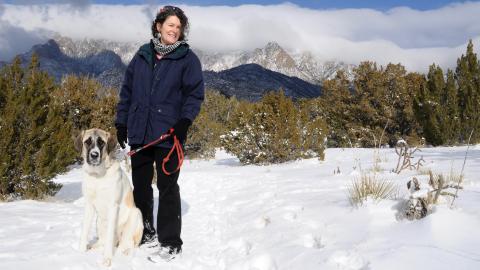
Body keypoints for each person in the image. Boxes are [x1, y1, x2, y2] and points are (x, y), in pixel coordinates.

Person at [115, 5, 204, 262]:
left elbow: (194, 94)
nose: (174, 30)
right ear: (158, 26)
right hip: (140, 132)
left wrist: (185, 121)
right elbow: (127, 93)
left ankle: (170, 241)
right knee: (141, 187)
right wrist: (122, 124)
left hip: (169, 134)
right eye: (170, 25)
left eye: (178, 27)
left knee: (167, 188)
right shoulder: (142, 56)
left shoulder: (188, 59)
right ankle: (146, 232)